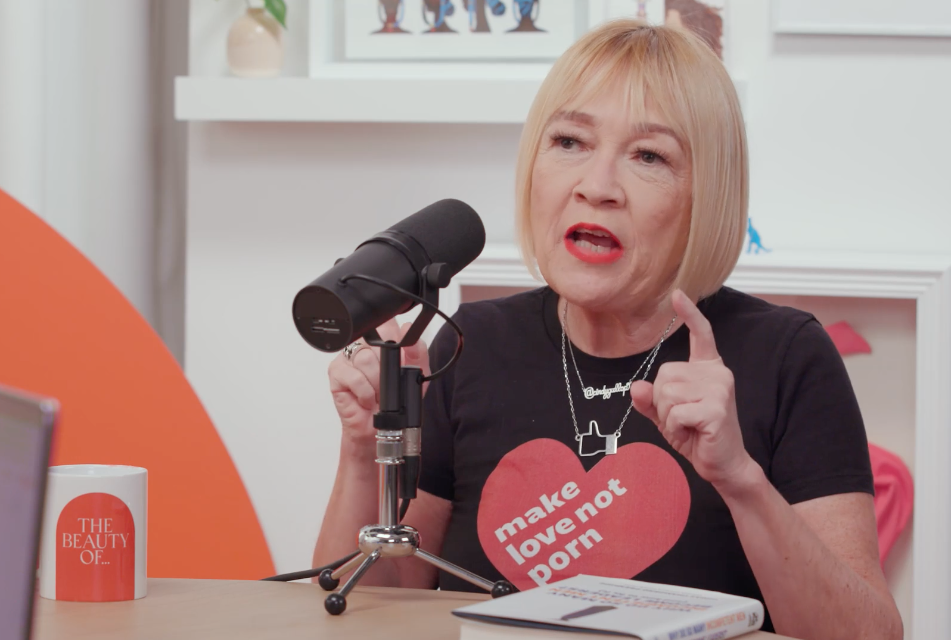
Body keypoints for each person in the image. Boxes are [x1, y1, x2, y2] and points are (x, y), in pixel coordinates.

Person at [313, 19, 903, 640]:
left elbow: (869, 635)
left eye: (649, 156)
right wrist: (362, 450)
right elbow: (367, 613)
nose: (596, 188)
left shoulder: (786, 357)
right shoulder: (473, 343)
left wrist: (740, 480)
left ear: (707, 195)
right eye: (569, 141)